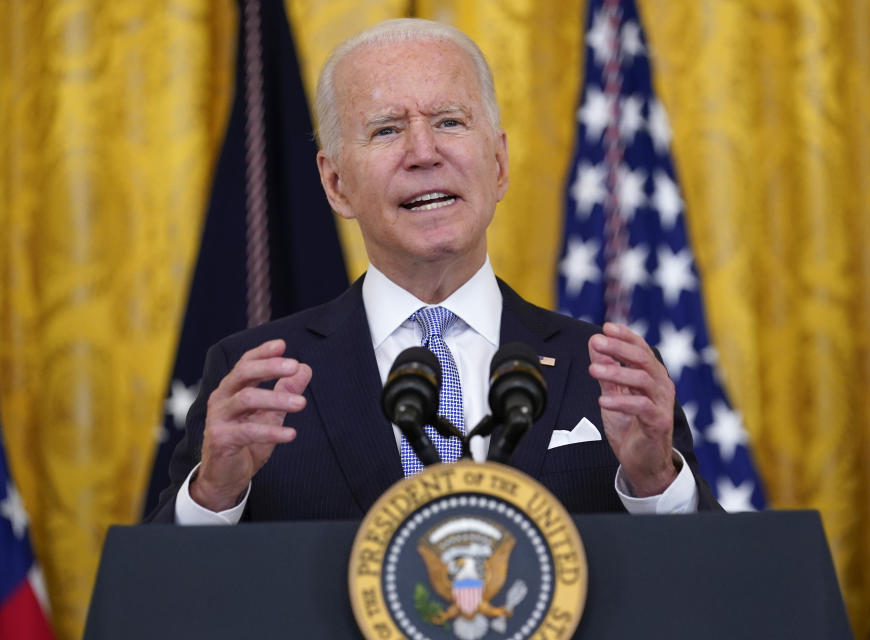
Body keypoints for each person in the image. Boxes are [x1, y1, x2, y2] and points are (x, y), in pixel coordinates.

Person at [146, 18, 721, 525]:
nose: (424, 152)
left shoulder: (608, 372)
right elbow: (162, 600)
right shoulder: (260, 379)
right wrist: (214, 496)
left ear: (498, 164)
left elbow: (714, 591)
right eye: (387, 130)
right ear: (336, 183)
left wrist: (657, 486)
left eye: (449, 121)